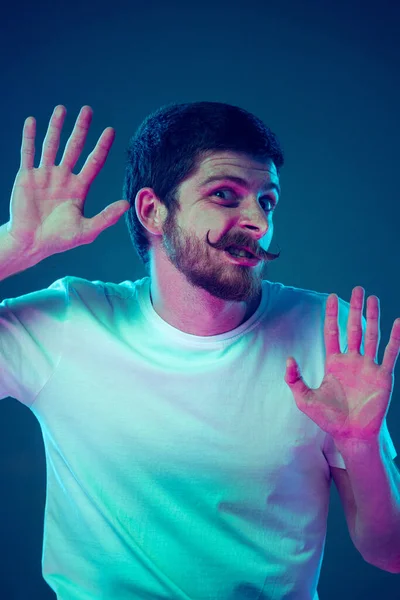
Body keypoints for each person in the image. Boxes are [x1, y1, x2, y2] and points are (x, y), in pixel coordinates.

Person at [0, 102, 399, 600]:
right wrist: (14, 246)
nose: (256, 221)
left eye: (267, 201)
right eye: (225, 195)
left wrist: (361, 445)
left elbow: (391, 552)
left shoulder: (328, 338)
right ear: (153, 211)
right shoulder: (67, 322)